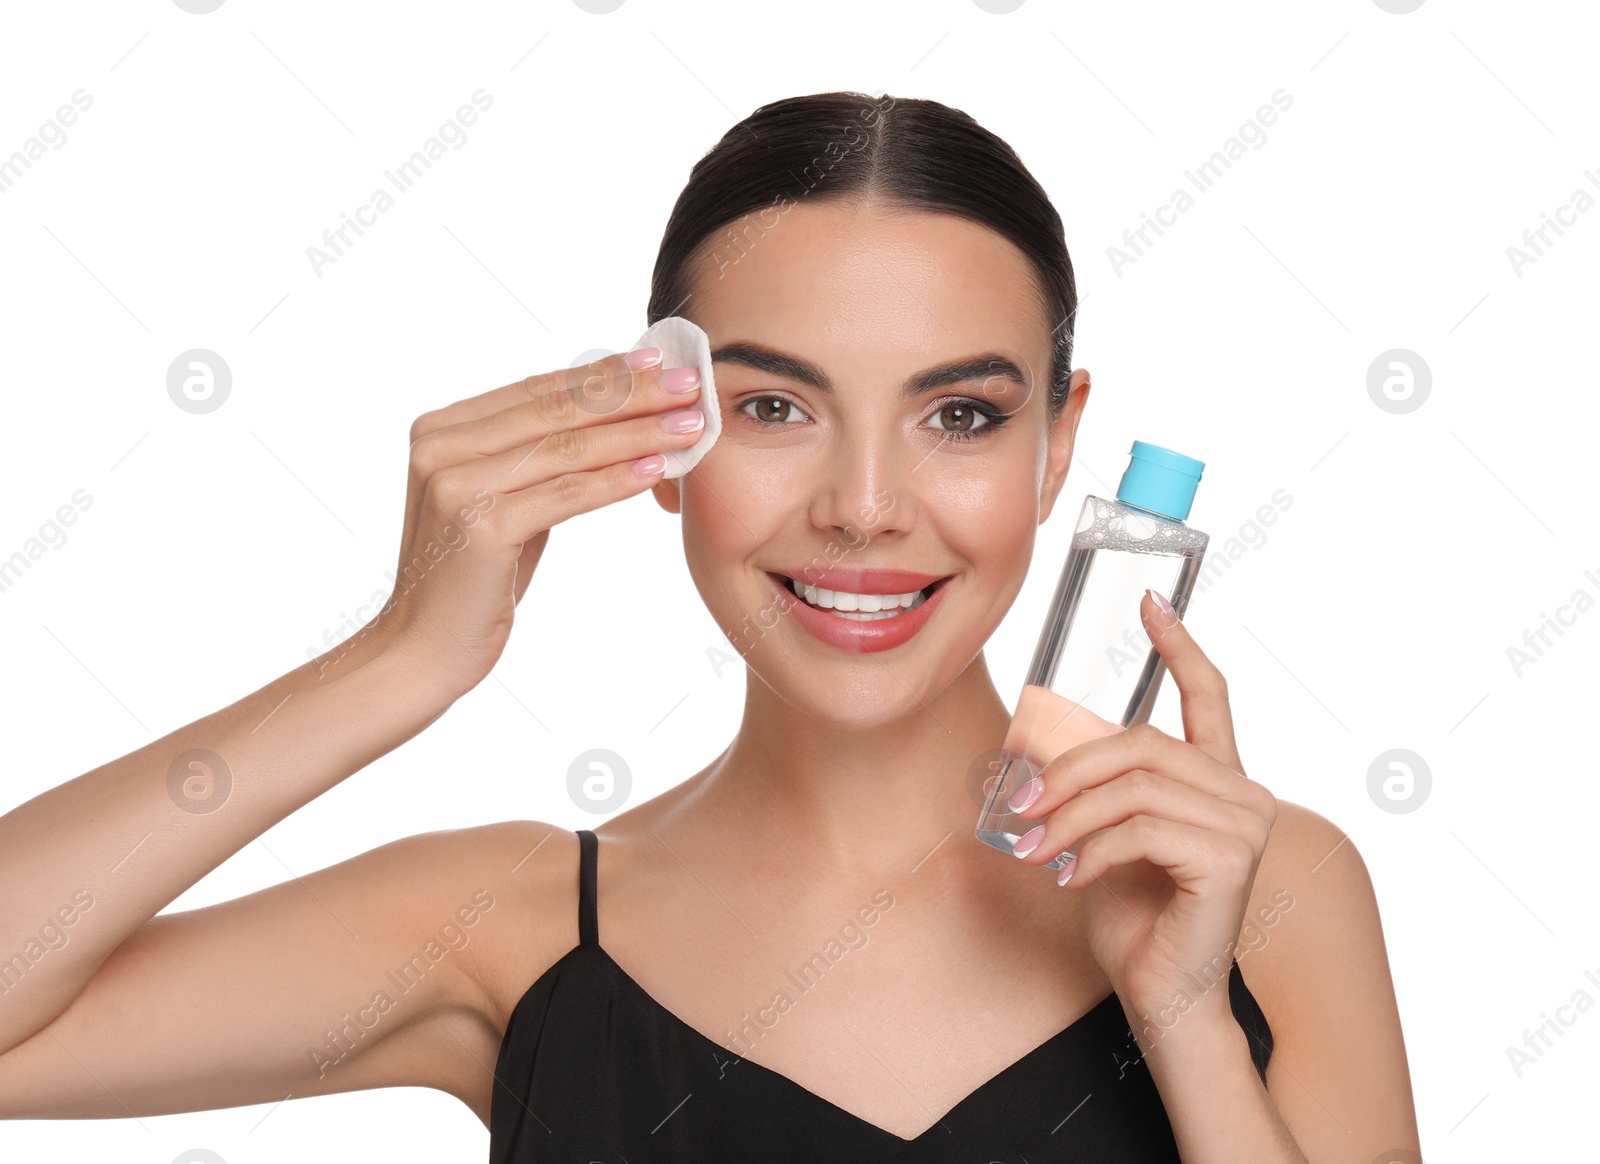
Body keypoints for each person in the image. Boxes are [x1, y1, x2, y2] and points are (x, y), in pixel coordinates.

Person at [0, 91, 1419, 1161]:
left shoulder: (1252, 890)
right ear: (659, 434)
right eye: (775, 408)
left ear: (1060, 447)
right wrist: (401, 659)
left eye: (963, 416)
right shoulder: (506, 927)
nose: (866, 508)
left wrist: (1184, 1026)